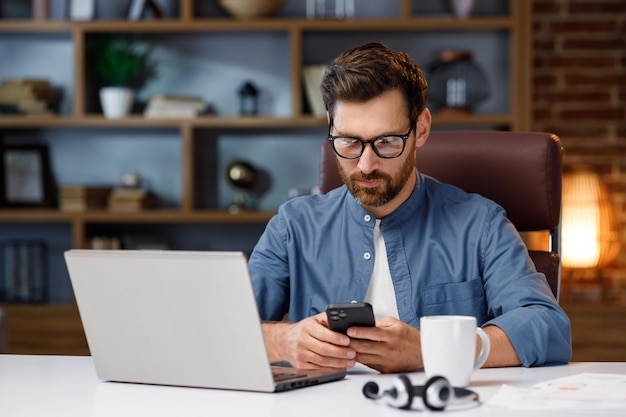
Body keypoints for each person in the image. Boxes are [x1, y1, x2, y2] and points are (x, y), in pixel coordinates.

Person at [248, 42, 571, 373]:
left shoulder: (480, 224)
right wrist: (281, 340)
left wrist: (436, 350)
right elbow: (218, 327)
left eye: (386, 141)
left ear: (421, 129)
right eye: (349, 141)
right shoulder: (293, 226)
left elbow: (548, 328)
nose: (366, 164)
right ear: (331, 128)